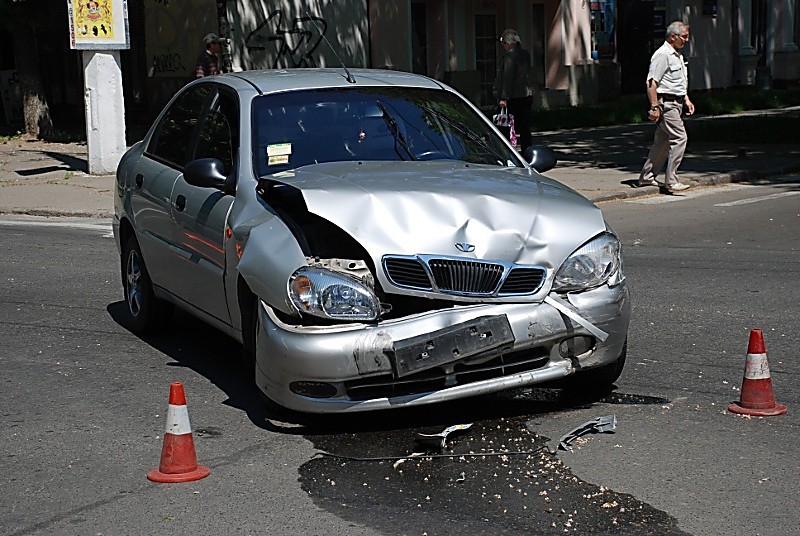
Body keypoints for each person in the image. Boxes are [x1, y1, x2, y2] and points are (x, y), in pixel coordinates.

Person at [638, 20, 696, 193]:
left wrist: (686, 99)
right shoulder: (662, 54)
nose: (686, 40)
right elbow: (651, 82)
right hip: (667, 104)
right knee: (680, 137)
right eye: (684, 37)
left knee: (662, 141)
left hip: (676, 102)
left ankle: (647, 177)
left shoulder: (677, 55)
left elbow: (677, 82)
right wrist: (654, 107)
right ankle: (671, 180)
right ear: (673, 36)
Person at [495, 29, 533, 151]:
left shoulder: (510, 56)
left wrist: (503, 97)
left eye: (504, 42)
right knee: (524, 126)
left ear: (509, 43)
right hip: (526, 94)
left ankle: (506, 150)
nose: (503, 46)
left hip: (513, 97)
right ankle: (527, 150)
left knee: (505, 125)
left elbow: (507, 77)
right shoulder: (526, 54)